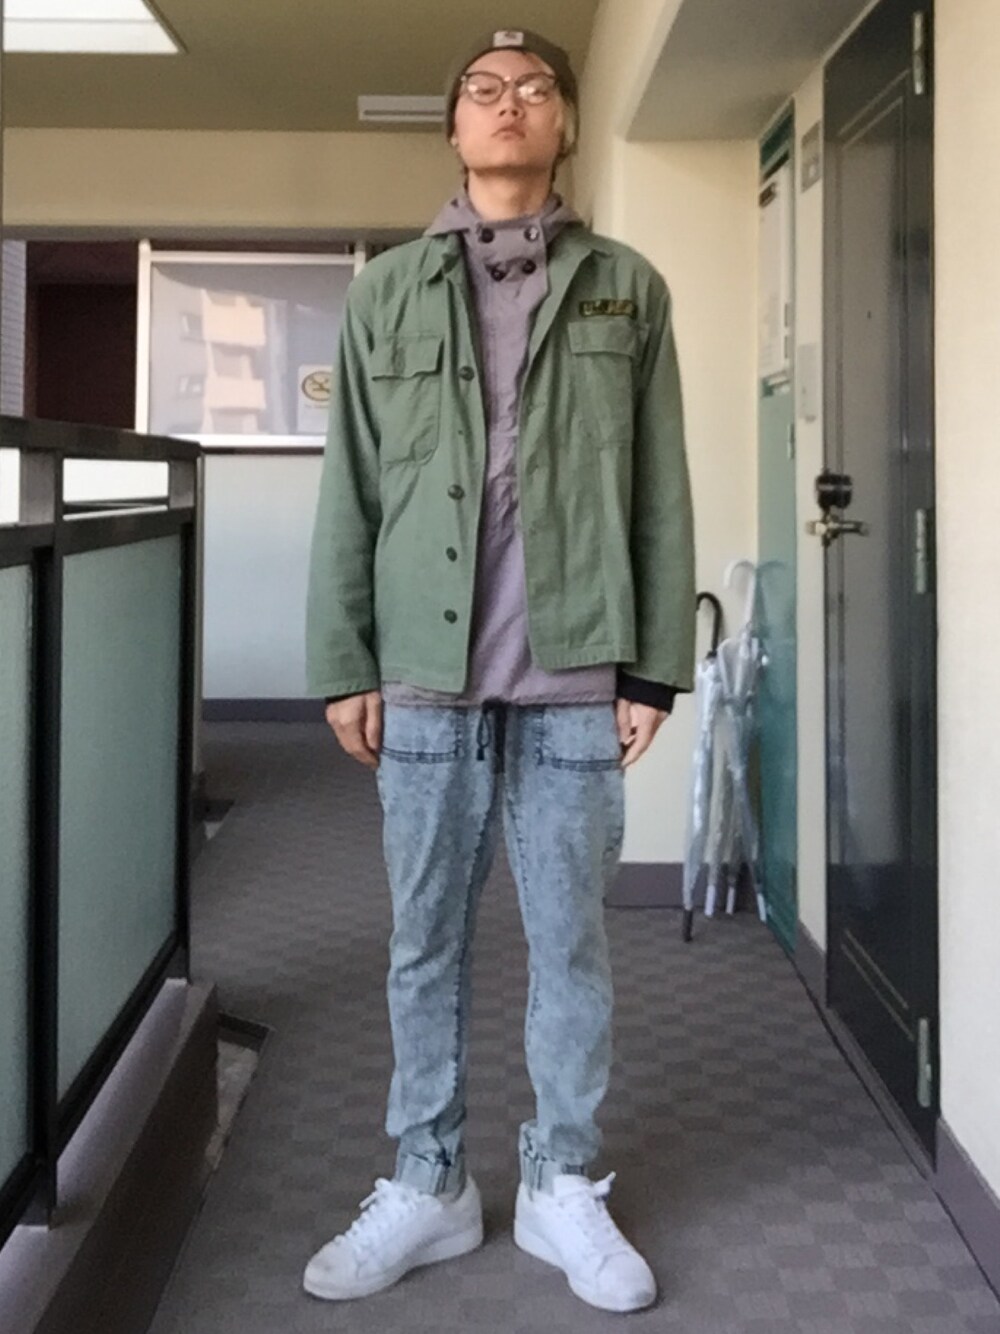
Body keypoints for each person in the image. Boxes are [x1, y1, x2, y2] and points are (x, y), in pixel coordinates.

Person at [302, 26, 695, 1313]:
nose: (508, 103)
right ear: (455, 128)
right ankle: (428, 1182)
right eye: (483, 89)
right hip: (424, 671)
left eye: (534, 88)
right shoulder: (385, 293)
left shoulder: (626, 288)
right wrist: (345, 657)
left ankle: (558, 1181)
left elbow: (658, 485)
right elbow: (352, 489)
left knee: (569, 941)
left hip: (576, 673)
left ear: (565, 121)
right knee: (423, 940)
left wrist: (654, 667)